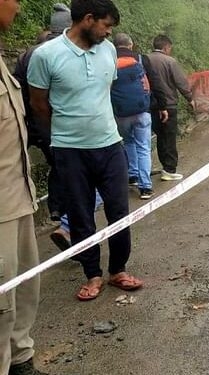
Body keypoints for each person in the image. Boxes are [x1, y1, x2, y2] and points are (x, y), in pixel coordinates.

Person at [28, 0, 144, 301]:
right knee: (80, 215)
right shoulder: (45, 56)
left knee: (119, 212)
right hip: (70, 151)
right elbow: (39, 105)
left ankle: (117, 269)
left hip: (110, 146)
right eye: (105, 26)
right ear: (88, 19)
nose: (108, 33)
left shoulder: (107, 51)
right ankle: (92, 274)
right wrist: (65, 135)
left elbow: (103, 93)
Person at [0, 1, 50, 374]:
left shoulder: (3, 62)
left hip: (18, 198)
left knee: (23, 290)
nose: (17, 6)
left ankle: (21, 359)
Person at [12, 3, 73, 223]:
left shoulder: (27, 53)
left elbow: (16, 85)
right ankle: (60, 210)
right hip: (51, 120)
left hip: (27, 121)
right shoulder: (62, 51)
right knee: (61, 164)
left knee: (18, 166)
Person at [112, 33, 155, 200]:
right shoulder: (139, 59)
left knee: (129, 142)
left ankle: (133, 175)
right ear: (130, 45)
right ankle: (146, 187)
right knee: (143, 147)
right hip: (141, 111)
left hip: (121, 113)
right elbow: (151, 82)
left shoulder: (109, 61)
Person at [147, 34, 194, 181]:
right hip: (169, 104)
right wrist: (190, 98)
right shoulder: (170, 61)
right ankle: (170, 169)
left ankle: (164, 166)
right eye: (170, 48)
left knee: (160, 136)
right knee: (170, 137)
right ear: (166, 47)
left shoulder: (145, 59)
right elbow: (180, 82)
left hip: (151, 105)